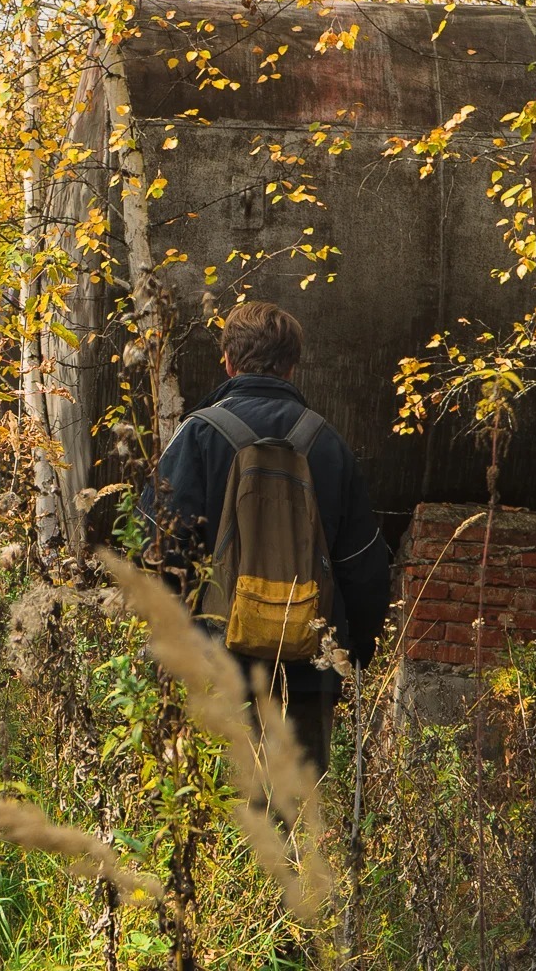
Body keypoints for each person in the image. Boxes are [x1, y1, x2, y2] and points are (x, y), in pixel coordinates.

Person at [148, 300, 392, 772]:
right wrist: (351, 654)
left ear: (228, 359)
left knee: (211, 821)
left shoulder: (197, 434)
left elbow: (156, 547)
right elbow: (364, 567)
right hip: (307, 674)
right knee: (292, 824)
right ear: (292, 366)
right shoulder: (329, 444)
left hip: (212, 668)